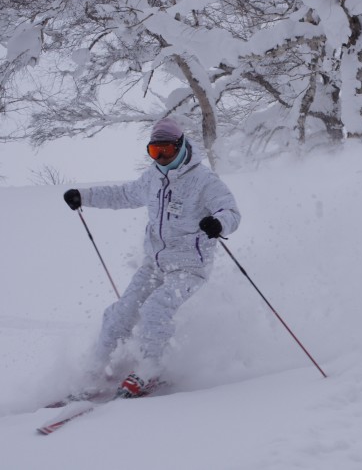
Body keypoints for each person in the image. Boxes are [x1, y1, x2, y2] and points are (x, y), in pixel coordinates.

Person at [62, 118, 241, 398]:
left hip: (189, 267)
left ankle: (150, 370)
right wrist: (83, 196)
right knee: (120, 313)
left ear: (181, 146)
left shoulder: (204, 181)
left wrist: (219, 223)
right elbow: (122, 195)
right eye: (155, 152)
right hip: (155, 265)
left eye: (167, 151)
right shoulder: (153, 178)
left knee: (155, 310)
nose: (161, 157)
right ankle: (95, 370)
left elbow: (230, 210)